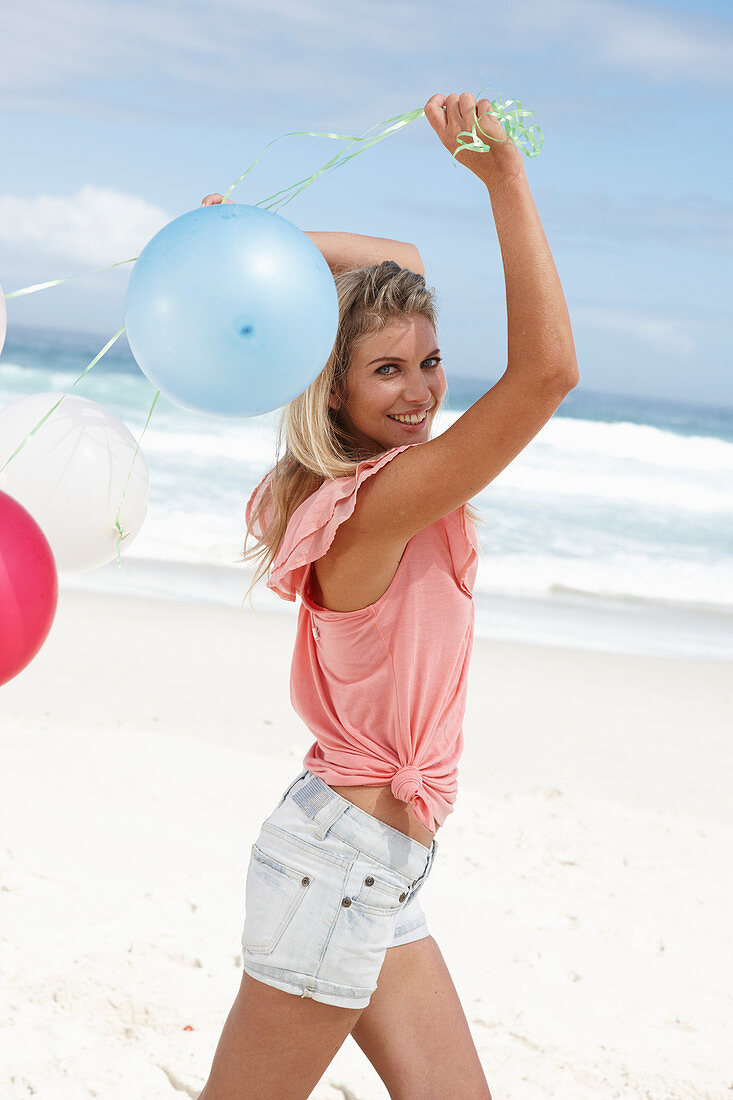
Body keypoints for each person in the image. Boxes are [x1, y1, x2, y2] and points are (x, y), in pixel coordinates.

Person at [197, 91, 579, 1100]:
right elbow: (546, 372)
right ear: (332, 390)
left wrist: (255, 242)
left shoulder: (369, 488)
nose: (421, 391)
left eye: (429, 361)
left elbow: (398, 250)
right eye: (386, 372)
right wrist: (506, 179)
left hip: (374, 861)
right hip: (339, 865)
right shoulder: (371, 503)